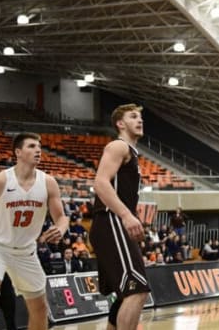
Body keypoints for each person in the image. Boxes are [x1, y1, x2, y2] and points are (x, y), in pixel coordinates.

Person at [0, 132, 68, 330]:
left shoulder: (48, 183)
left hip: (26, 251)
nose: (38, 150)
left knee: (39, 308)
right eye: (31, 146)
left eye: (39, 146)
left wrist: (60, 228)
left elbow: (61, 216)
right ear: (18, 152)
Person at [90, 104, 150, 329]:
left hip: (113, 224)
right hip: (111, 220)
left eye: (141, 117)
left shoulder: (131, 152)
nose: (140, 120)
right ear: (120, 123)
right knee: (138, 291)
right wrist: (126, 215)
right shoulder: (118, 145)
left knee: (126, 295)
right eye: (133, 116)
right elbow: (100, 183)